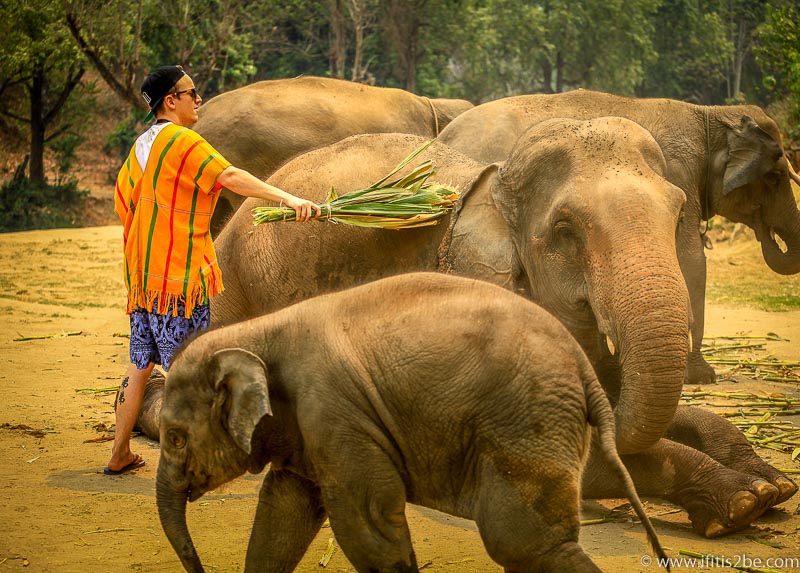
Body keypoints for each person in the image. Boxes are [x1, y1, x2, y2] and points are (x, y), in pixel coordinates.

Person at [104, 65, 321, 475]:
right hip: (177, 280)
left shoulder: (140, 147)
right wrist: (289, 198)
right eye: (191, 92)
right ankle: (198, 459)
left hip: (145, 281)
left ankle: (119, 454)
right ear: (171, 101)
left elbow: (123, 203)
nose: (198, 99)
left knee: (139, 364)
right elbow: (230, 176)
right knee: (193, 370)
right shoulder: (183, 142)